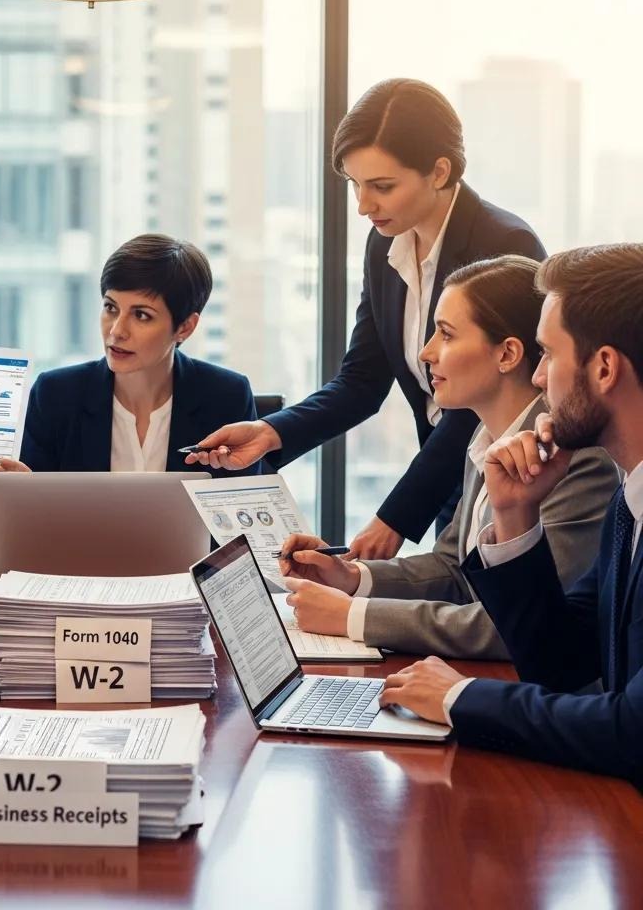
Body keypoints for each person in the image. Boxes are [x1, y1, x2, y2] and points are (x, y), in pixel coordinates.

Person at [186, 79, 546, 558]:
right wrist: (271, 432)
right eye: (355, 185)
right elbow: (361, 381)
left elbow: (485, 403)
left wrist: (395, 517)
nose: (362, 205)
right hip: (447, 483)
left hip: (510, 478)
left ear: (439, 171)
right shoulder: (384, 246)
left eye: (382, 186)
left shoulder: (506, 246)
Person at [374, 244, 643, 786]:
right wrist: (517, 516)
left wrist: (459, 696)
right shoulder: (628, 502)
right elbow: (562, 665)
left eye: (548, 354)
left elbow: (631, 731)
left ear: (605, 367)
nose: (539, 378)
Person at [277, 256, 618, 658]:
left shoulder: (575, 461)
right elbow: (453, 569)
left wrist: (355, 615)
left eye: (446, 335)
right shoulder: (483, 437)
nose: (425, 353)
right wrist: (351, 576)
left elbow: (523, 624)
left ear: (507, 354)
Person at [0, 234, 258, 478]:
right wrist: (22, 496)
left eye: (141, 315)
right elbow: (33, 521)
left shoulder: (226, 396)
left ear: (185, 326)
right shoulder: (56, 395)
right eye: (111, 308)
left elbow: (244, 527)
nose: (117, 331)